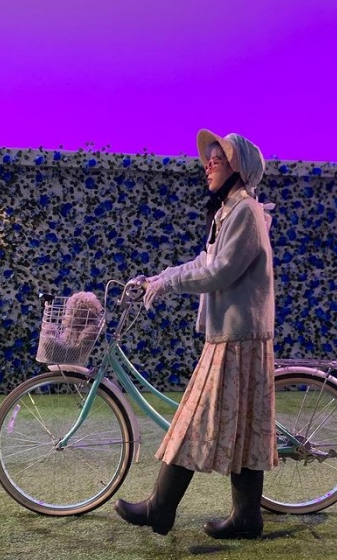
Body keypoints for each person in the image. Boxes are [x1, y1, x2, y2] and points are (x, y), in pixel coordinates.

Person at [114, 129, 277, 539]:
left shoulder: (245, 212)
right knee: (244, 425)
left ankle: (161, 507)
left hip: (237, 339)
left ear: (238, 167)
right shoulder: (230, 212)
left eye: (216, 160)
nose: (207, 166)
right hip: (233, 336)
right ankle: (247, 517)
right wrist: (161, 277)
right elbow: (205, 261)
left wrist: (169, 284)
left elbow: (220, 271)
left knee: (193, 419)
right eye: (208, 160)